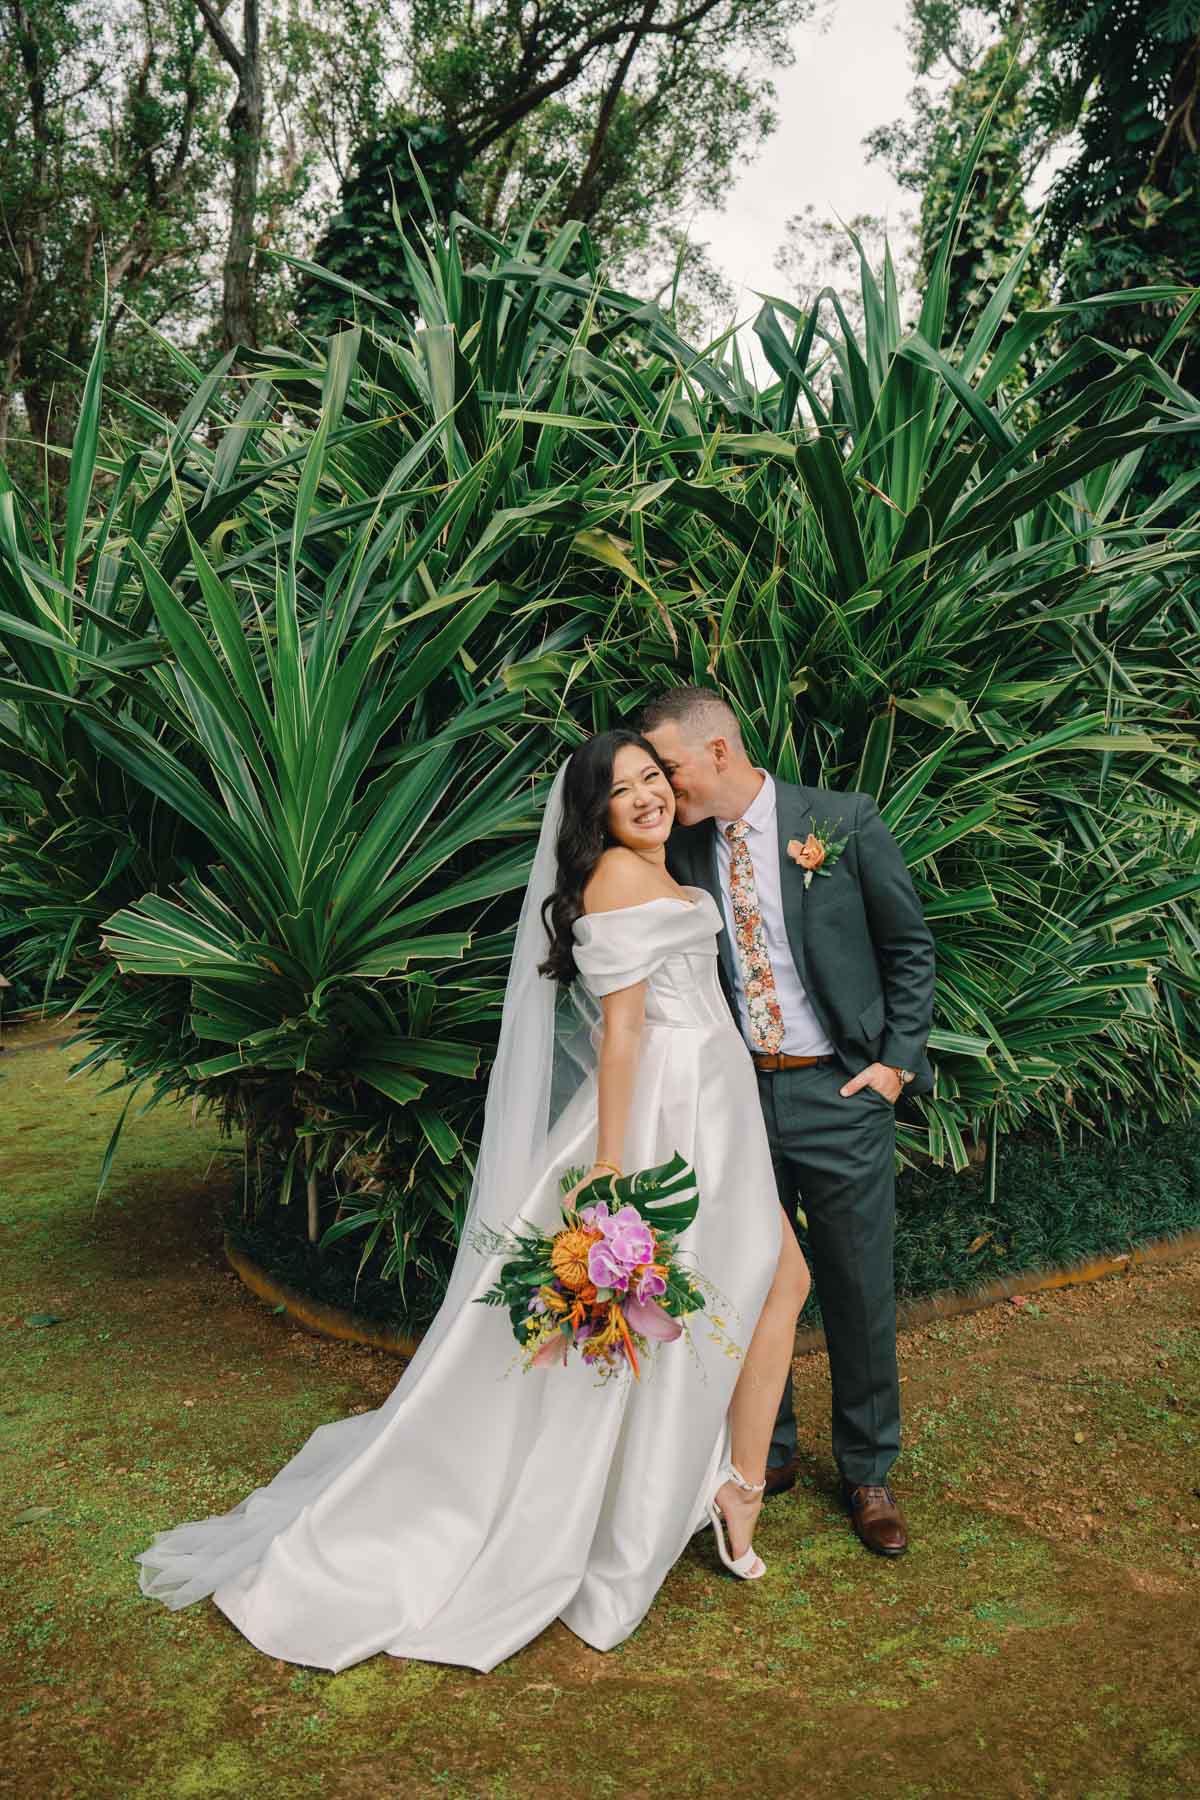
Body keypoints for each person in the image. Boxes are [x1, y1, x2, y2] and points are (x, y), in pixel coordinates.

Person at [136, 730, 809, 1673]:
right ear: (597, 815)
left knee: (770, 1281)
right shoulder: (617, 879)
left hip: (717, 1102)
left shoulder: (660, 866)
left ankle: (729, 1486)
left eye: (652, 777)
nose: (647, 797)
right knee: (702, 1301)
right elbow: (621, 1039)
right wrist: (612, 1172)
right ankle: (695, 1499)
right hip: (671, 1116)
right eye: (623, 791)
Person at [642, 687, 935, 1557]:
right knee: (749, 1276)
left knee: (855, 1282)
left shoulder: (841, 822)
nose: (665, 786)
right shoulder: (682, 849)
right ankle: (766, 1451)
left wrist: (892, 1066)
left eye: (672, 767)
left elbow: (910, 948)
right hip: (734, 1097)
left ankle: (868, 1469)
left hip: (838, 1092)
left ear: (720, 752)